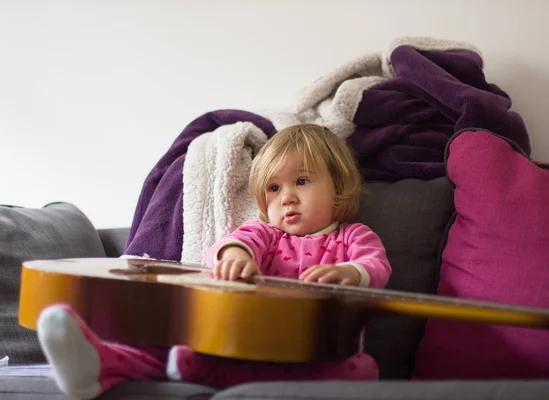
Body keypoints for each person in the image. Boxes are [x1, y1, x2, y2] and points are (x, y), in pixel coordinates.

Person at [36, 124, 392, 399]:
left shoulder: (352, 236)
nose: (287, 198)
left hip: (319, 352)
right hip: (250, 343)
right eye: (274, 189)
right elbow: (237, 241)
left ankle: (193, 371)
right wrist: (235, 256)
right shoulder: (267, 234)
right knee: (176, 346)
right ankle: (97, 363)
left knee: (364, 369)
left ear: (339, 185)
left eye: (301, 181)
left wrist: (349, 273)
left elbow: (375, 267)